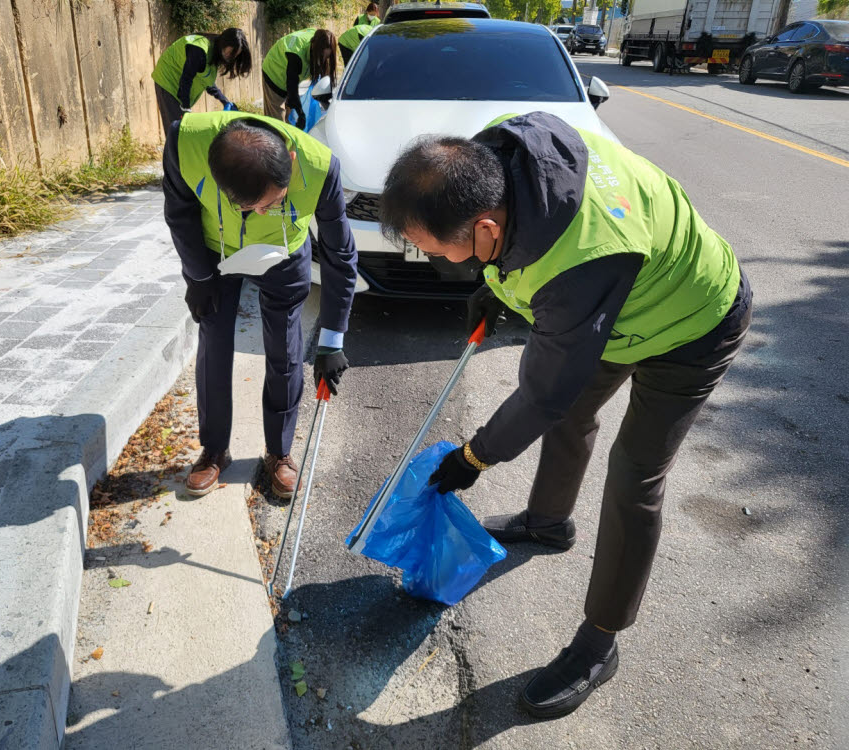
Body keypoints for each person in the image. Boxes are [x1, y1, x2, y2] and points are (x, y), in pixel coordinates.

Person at [380, 112, 752, 719]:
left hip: (693, 320)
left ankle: (598, 645)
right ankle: (549, 523)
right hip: (616, 313)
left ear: (484, 226)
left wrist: (473, 457)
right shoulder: (498, 155)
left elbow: (542, 393)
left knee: (635, 477)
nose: (432, 261)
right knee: (572, 412)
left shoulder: (581, 259)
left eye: (436, 250)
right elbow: (527, 278)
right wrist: (493, 285)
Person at [162, 111, 358, 499]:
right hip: (215, 254)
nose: (264, 212)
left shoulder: (321, 167)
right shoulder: (186, 142)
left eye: (273, 201)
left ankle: (279, 453)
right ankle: (214, 449)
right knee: (213, 344)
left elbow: (340, 255)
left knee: (285, 352)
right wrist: (198, 278)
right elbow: (179, 212)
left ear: (291, 160)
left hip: (282, 256)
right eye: (252, 207)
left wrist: (332, 340)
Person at [152, 29, 252, 133]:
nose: (231, 58)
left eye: (235, 55)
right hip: (168, 80)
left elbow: (207, 81)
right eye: (231, 53)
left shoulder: (213, 54)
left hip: (180, 85)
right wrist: (185, 109)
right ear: (224, 43)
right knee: (177, 132)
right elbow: (186, 78)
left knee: (181, 132)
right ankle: (172, 149)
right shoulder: (200, 49)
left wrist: (224, 100)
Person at [262, 29, 337, 130]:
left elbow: (324, 79)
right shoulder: (296, 54)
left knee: (290, 120)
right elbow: (292, 88)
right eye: (321, 56)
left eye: (327, 57)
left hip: (289, 76)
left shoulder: (320, 38)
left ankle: (289, 141)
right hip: (274, 73)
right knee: (277, 124)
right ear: (314, 47)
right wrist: (301, 114)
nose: (323, 60)